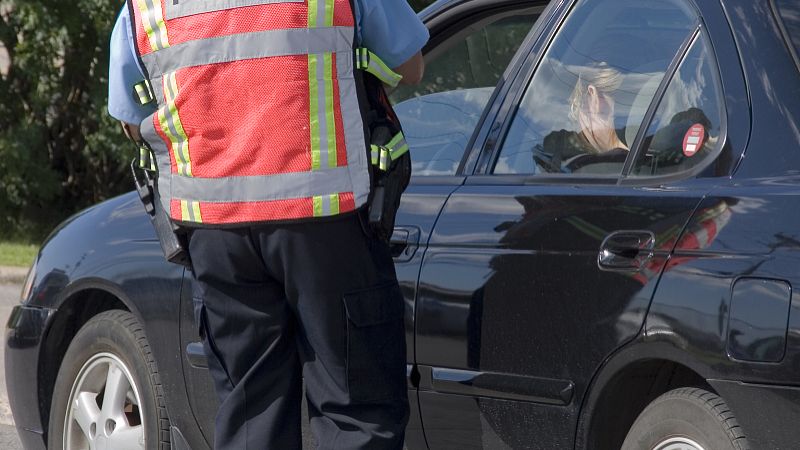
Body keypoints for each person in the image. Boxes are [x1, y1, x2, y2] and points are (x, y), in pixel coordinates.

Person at [108, 1, 428, 449]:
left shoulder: (145, 6)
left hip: (215, 231)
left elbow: (130, 116)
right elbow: (411, 66)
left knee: (251, 419)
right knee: (356, 415)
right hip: (326, 218)